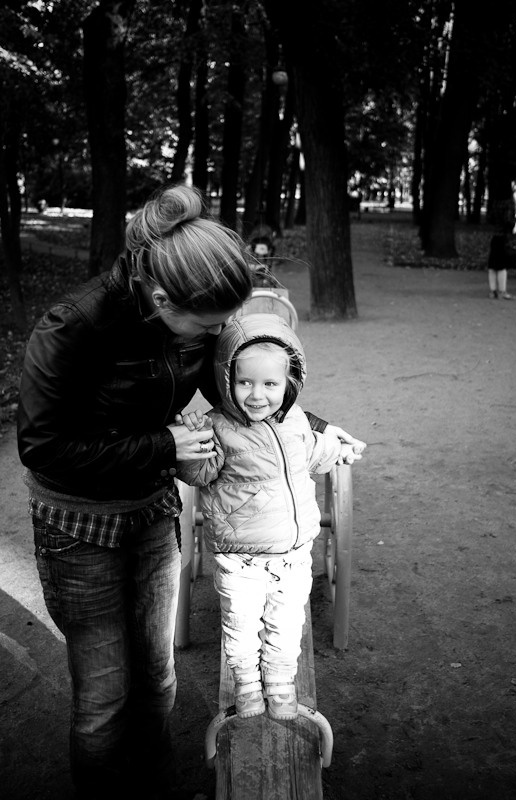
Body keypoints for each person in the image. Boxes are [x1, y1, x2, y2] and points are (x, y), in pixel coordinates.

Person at [16, 184, 363, 798]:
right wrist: (164, 446)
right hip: (79, 526)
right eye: (205, 328)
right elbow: (44, 449)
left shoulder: (198, 326)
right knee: (103, 695)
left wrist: (314, 428)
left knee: (157, 676)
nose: (212, 338)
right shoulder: (73, 327)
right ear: (159, 298)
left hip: (150, 510)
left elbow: (245, 401)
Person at [175, 313, 366, 721]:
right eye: (245, 382)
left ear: (289, 384)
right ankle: (246, 689)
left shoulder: (295, 422)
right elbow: (197, 474)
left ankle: (280, 688)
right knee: (242, 631)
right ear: (226, 380)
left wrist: (342, 450)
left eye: (270, 384)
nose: (257, 395)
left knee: (285, 628)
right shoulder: (218, 428)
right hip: (240, 561)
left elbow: (316, 452)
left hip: (293, 557)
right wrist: (193, 444)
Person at [487, 230, 516, 299]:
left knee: (493, 267)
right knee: (501, 268)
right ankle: (502, 291)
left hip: (496, 235)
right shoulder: (504, 237)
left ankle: (493, 291)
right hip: (502, 236)